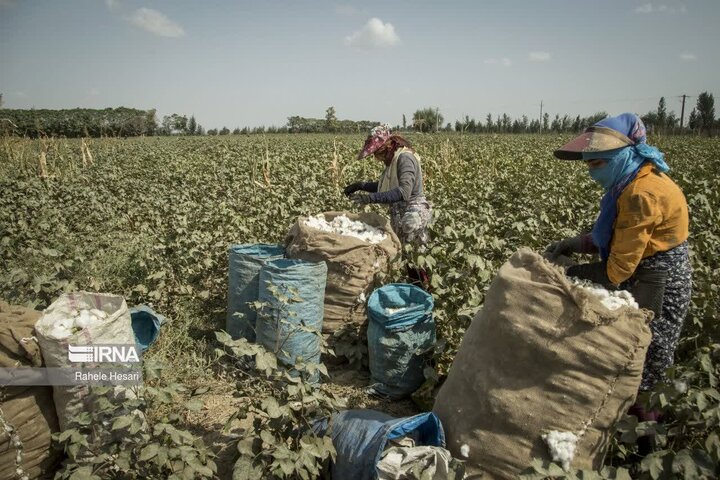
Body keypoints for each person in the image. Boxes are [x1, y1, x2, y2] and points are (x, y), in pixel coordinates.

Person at [545, 113, 693, 421]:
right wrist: (578, 243)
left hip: (658, 279)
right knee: (630, 350)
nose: (591, 172)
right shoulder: (630, 182)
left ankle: (645, 437)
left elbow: (617, 272)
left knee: (645, 355)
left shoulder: (643, 192)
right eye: (588, 164)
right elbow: (619, 234)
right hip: (644, 269)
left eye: (597, 163)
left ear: (623, 154)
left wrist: (567, 274)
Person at [344, 124, 433, 289]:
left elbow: (404, 192)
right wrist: (360, 185)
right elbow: (386, 187)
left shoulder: (405, 158)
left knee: (415, 258)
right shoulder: (394, 160)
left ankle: (425, 292)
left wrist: (369, 199)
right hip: (399, 212)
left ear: (386, 147)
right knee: (406, 258)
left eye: (377, 154)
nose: (377, 159)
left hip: (413, 213)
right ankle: (415, 289)